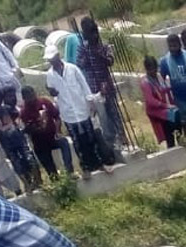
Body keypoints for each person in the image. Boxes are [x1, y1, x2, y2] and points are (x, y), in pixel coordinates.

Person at [44, 45, 110, 177]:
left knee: (90, 138)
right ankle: (85, 167)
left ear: (58, 57)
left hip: (81, 108)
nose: (52, 62)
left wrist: (90, 101)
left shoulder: (72, 69)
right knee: (77, 142)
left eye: (53, 59)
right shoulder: (50, 75)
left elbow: (84, 85)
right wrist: (52, 93)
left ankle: (99, 164)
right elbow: (53, 93)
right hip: (68, 113)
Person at [77, 16, 124, 157]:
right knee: (102, 117)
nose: (93, 36)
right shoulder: (82, 48)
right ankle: (110, 142)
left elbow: (110, 61)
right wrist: (87, 53)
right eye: (89, 33)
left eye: (94, 32)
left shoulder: (104, 47)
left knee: (114, 112)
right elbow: (79, 64)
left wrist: (98, 55)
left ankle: (122, 137)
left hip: (107, 84)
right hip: (93, 87)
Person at [20, 84, 75, 179]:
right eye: (29, 97)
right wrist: (36, 128)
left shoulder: (44, 102)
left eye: (32, 95)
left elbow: (56, 117)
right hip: (39, 143)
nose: (32, 99)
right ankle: (55, 179)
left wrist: (58, 131)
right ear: (25, 98)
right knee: (51, 172)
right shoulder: (24, 112)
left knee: (64, 142)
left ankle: (69, 171)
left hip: (52, 136)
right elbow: (27, 130)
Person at [0, 105, 41, 191]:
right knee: (17, 164)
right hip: (8, 144)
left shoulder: (9, 112)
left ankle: (37, 181)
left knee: (29, 159)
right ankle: (27, 184)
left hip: (18, 139)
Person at [141, 54, 181, 148]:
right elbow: (151, 101)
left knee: (178, 117)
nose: (153, 71)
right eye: (151, 69)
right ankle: (171, 145)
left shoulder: (159, 76)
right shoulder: (145, 82)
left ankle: (180, 141)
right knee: (169, 123)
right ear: (147, 69)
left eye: (155, 69)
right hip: (156, 110)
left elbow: (166, 89)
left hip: (165, 106)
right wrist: (166, 106)